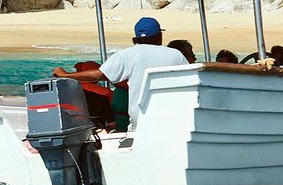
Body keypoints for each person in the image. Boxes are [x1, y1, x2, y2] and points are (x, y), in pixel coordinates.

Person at [53, 16, 189, 127]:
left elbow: (98, 75)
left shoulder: (126, 55)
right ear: (159, 36)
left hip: (141, 117)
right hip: (173, 116)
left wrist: (65, 75)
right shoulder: (175, 54)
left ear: (137, 37)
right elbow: (190, 81)